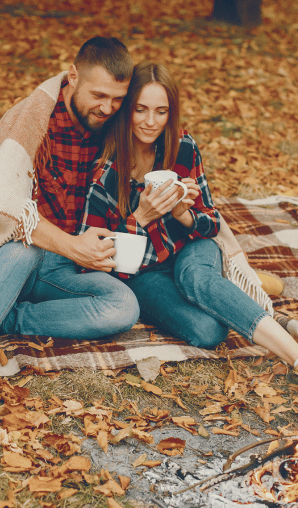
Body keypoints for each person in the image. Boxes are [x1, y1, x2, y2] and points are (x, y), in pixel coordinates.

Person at [0, 37, 140, 429]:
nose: (108, 107)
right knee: (23, 248)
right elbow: (7, 207)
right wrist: (71, 246)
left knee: (124, 307)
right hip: (15, 257)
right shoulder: (34, 119)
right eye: (99, 95)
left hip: (64, 268)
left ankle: (8, 317)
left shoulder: (114, 125)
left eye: (117, 99)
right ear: (72, 76)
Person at [80, 61, 298, 373]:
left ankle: (293, 354)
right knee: (208, 332)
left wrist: (184, 216)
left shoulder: (182, 146)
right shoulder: (106, 171)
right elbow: (96, 258)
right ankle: (263, 313)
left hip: (190, 248)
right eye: (140, 110)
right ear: (126, 110)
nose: (150, 122)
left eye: (161, 111)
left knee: (195, 278)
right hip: (143, 273)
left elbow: (211, 222)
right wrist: (140, 218)